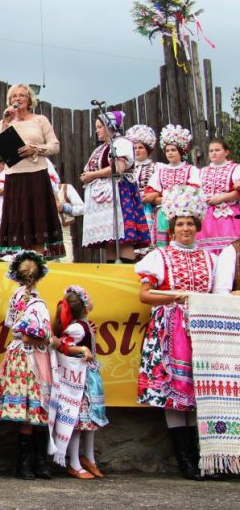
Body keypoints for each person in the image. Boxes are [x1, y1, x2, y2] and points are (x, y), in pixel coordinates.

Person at [135, 185, 213, 480]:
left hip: (201, 330)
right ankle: (185, 461)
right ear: (172, 228)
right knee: (174, 391)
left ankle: (201, 458)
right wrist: (174, 297)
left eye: (190, 223)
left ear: (197, 226)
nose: (185, 229)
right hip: (169, 330)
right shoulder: (159, 257)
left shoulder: (210, 259)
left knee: (198, 392)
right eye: (180, 224)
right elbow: (145, 295)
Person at [0, 250, 54, 480]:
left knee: (28, 408)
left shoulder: (15, 299)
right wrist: (48, 339)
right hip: (33, 355)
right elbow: (37, 333)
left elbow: (10, 323)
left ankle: (27, 463)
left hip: (18, 354)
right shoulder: (37, 303)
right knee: (37, 406)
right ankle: (37, 462)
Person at [0, 84, 63, 259]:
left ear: (30, 100)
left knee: (37, 219)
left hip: (36, 174)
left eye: (22, 95)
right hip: (14, 177)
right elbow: (0, 147)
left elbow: (54, 145)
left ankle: (38, 260)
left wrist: (36, 149)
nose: (17, 99)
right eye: (14, 96)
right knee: (19, 221)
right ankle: (24, 262)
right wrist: (6, 121)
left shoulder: (40, 120)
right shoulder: (5, 122)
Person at [49, 285, 108, 480]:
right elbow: (63, 346)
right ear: (85, 307)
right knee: (77, 420)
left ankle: (89, 458)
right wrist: (82, 350)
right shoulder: (77, 328)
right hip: (79, 379)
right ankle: (74, 461)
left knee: (89, 419)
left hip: (88, 378)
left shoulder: (83, 325)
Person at [80, 111, 150, 263]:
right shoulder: (100, 148)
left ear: (110, 126)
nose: (97, 130)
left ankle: (125, 273)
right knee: (110, 240)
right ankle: (111, 273)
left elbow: (118, 167)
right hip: (104, 199)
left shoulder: (121, 143)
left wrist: (93, 175)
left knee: (122, 237)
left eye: (100, 127)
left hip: (120, 193)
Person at [143, 124, 201, 249]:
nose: (170, 153)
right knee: (163, 245)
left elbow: (193, 193)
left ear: (181, 151)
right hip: (163, 214)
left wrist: (163, 198)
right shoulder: (160, 171)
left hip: (184, 214)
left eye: (173, 150)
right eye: (167, 151)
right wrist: (157, 197)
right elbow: (151, 195)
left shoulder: (191, 170)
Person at [196, 138, 240, 255]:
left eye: (217, 150)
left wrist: (221, 198)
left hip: (227, 215)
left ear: (226, 152)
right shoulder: (202, 171)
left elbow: (238, 192)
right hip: (206, 216)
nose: (214, 153)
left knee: (229, 250)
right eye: (211, 151)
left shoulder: (235, 168)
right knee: (206, 251)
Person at [125, 124, 159, 257]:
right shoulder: (126, 168)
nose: (137, 150)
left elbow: (162, 187)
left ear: (148, 150)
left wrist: (152, 195)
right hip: (130, 209)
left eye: (141, 147)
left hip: (149, 210)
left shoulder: (157, 167)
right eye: (134, 148)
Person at [54, 176, 84, 263]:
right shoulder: (37, 192)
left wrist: (64, 208)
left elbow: (82, 208)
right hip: (45, 236)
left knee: (66, 263)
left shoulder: (66, 188)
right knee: (48, 267)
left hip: (63, 234)